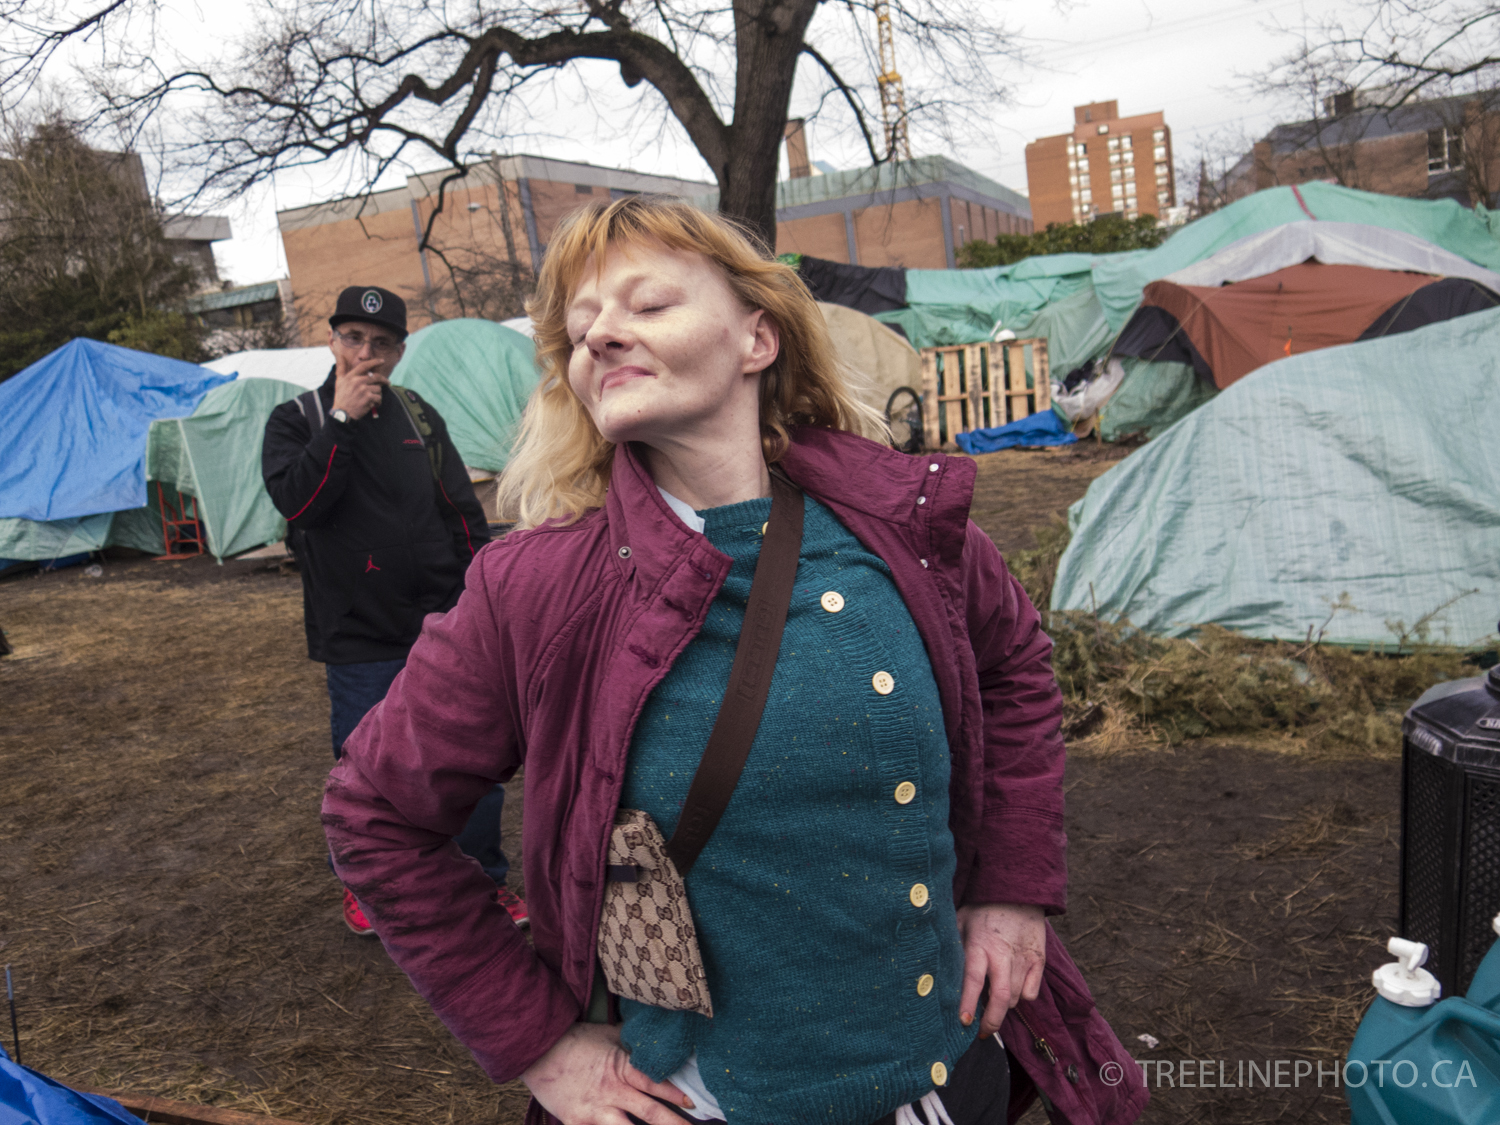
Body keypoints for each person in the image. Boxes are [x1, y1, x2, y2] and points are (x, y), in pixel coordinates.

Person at [321, 200, 1145, 1125]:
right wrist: (539, 1041)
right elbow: (375, 812)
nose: (601, 336)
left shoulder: (902, 527)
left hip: (951, 1078)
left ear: (758, 337)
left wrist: (1011, 886)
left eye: (648, 304)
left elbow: (1013, 668)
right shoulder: (536, 587)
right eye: (582, 327)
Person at [262, 285, 527, 935]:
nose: (366, 354)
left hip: (440, 624)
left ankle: (481, 884)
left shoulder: (418, 415)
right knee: (369, 771)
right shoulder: (296, 419)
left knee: (470, 758)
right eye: (354, 338)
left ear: (400, 352)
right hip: (359, 635)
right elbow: (302, 506)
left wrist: (477, 601)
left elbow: (459, 511)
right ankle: (371, 889)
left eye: (381, 344)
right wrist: (342, 421)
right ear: (332, 341)